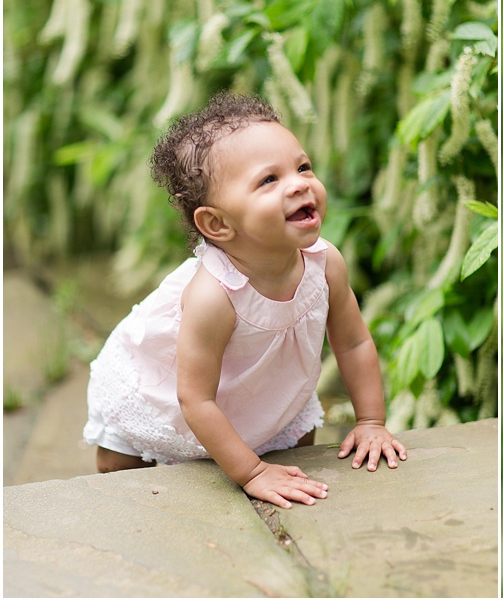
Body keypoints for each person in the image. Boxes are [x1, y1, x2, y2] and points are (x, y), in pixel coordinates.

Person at [83, 91, 406, 509]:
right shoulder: (213, 295)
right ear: (217, 223)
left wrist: (371, 421)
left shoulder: (326, 264)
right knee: (120, 463)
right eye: (269, 180)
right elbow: (194, 399)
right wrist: (251, 472)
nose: (299, 184)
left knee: (295, 450)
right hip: (175, 390)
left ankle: (270, 452)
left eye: (303, 167)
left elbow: (354, 342)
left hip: (267, 386)